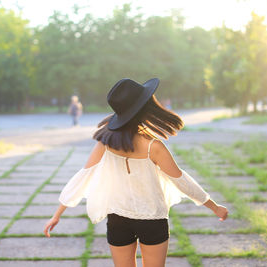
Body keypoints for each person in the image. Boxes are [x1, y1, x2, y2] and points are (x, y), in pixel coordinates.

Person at [44, 78, 228, 267]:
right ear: (144, 108)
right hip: (152, 219)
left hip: (117, 219)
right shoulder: (153, 147)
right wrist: (214, 207)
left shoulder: (105, 142)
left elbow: (83, 176)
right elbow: (182, 181)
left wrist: (57, 213)